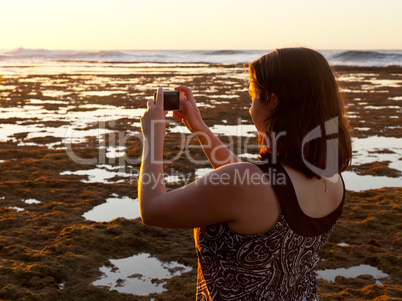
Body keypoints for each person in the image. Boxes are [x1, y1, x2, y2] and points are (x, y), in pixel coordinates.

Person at [139, 47, 352, 301]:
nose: (250, 105)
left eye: (252, 95)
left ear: (272, 100)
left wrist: (153, 135)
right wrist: (198, 126)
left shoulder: (250, 185)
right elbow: (254, 184)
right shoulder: (332, 178)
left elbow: (152, 209)